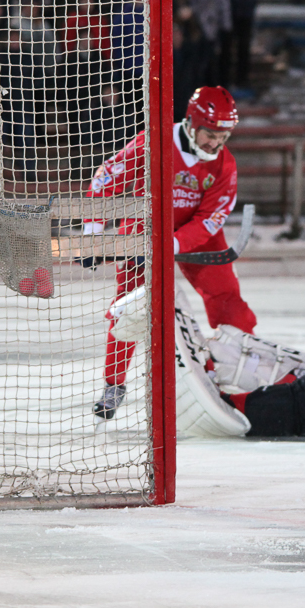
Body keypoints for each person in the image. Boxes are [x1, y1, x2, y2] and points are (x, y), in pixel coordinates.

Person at [85, 87, 257, 419]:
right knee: (128, 306)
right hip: (144, 228)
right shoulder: (151, 143)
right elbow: (107, 179)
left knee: (227, 298)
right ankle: (114, 384)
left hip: (194, 235)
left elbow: (211, 218)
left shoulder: (224, 164)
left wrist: (172, 245)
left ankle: (235, 366)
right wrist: (93, 233)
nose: (216, 143)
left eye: (223, 135)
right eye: (210, 134)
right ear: (191, 124)